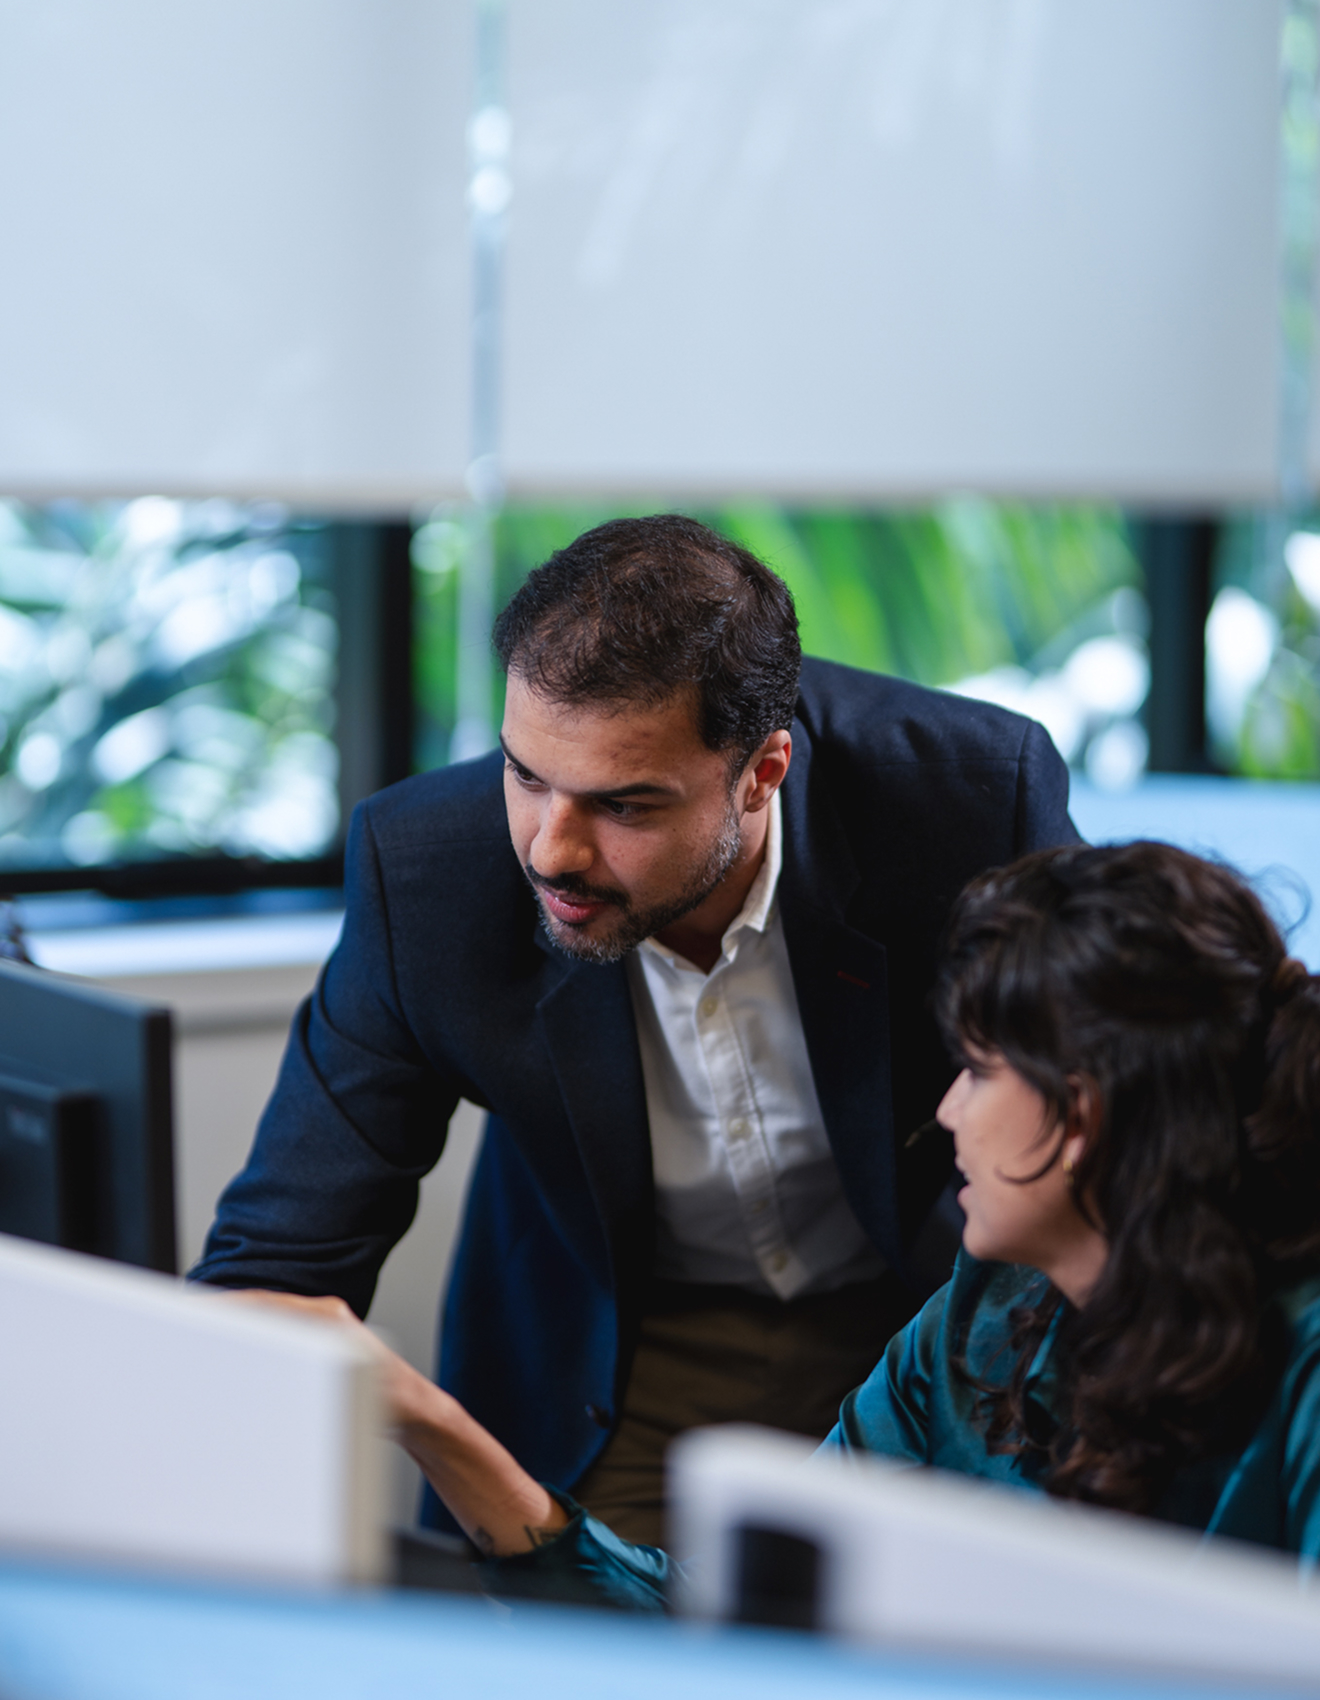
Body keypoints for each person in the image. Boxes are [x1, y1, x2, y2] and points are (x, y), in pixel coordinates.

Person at [192, 514, 1077, 1544]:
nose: (551, 850)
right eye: (525, 775)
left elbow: (1108, 1118)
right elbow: (274, 1264)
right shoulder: (428, 871)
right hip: (622, 1350)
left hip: (922, 1312)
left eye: (624, 804)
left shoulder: (967, 798)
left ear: (762, 771)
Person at [251, 838, 1320, 1611]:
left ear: (1083, 1113)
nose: (946, 1108)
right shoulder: (979, 1318)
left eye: (983, 1071)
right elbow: (728, 1611)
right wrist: (432, 1423)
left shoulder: (1304, 1368)